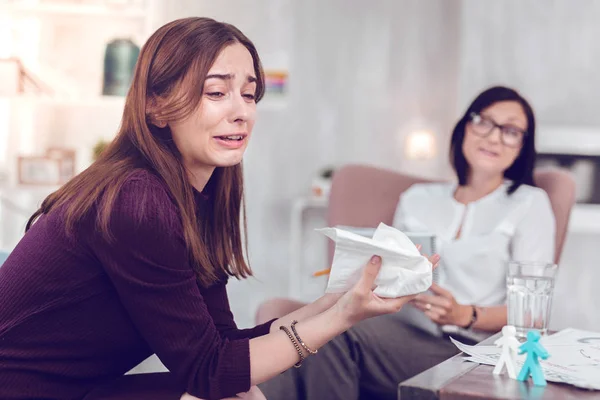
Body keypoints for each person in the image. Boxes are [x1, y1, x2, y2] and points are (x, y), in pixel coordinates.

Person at [0, 18, 436, 400]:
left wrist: (336, 300)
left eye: (249, 95)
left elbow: (221, 344)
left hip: (84, 389)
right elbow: (210, 372)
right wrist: (343, 318)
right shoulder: (137, 200)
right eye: (216, 92)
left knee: (241, 393)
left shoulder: (194, 198)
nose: (241, 111)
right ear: (155, 106)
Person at [258, 86, 556, 400]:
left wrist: (465, 314)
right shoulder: (417, 199)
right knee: (294, 339)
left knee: (331, 335)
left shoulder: (530, 204)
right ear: (466, 126)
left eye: (510, 131)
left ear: (523, 145)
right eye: (484, 122)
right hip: (404, 329)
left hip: (473, 349)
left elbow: (533, 315)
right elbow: (393, 272)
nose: (494, 137)